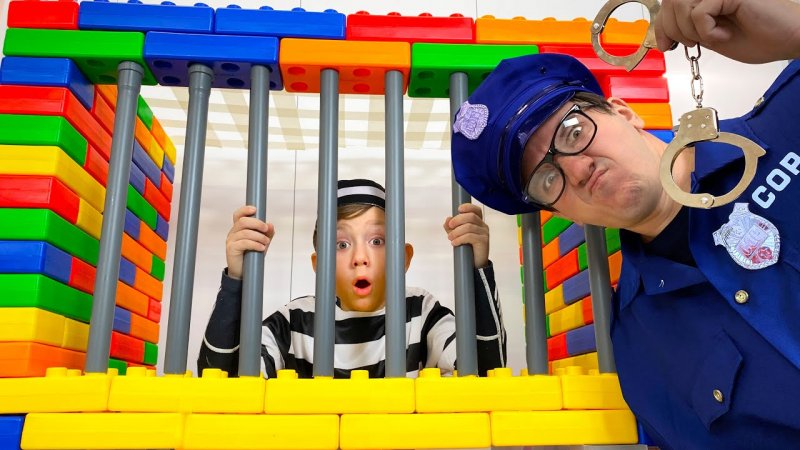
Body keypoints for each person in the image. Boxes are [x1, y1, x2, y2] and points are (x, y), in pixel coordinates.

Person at [449, 0, 800, 448]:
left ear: (623, 112)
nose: (576, 168)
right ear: (561, 212)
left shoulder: (788, 119)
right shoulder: (638, 350)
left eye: (573, 131)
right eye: (547, 179)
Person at [198, 179, 506, 378]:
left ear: (403, 259)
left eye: (377, 241)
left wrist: (477, 268)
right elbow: (221, 382)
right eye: (341, 244)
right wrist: (238, 278)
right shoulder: (294, 320)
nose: (360, 257)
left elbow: (486, 373)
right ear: (319, 266)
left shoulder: (421, 311)